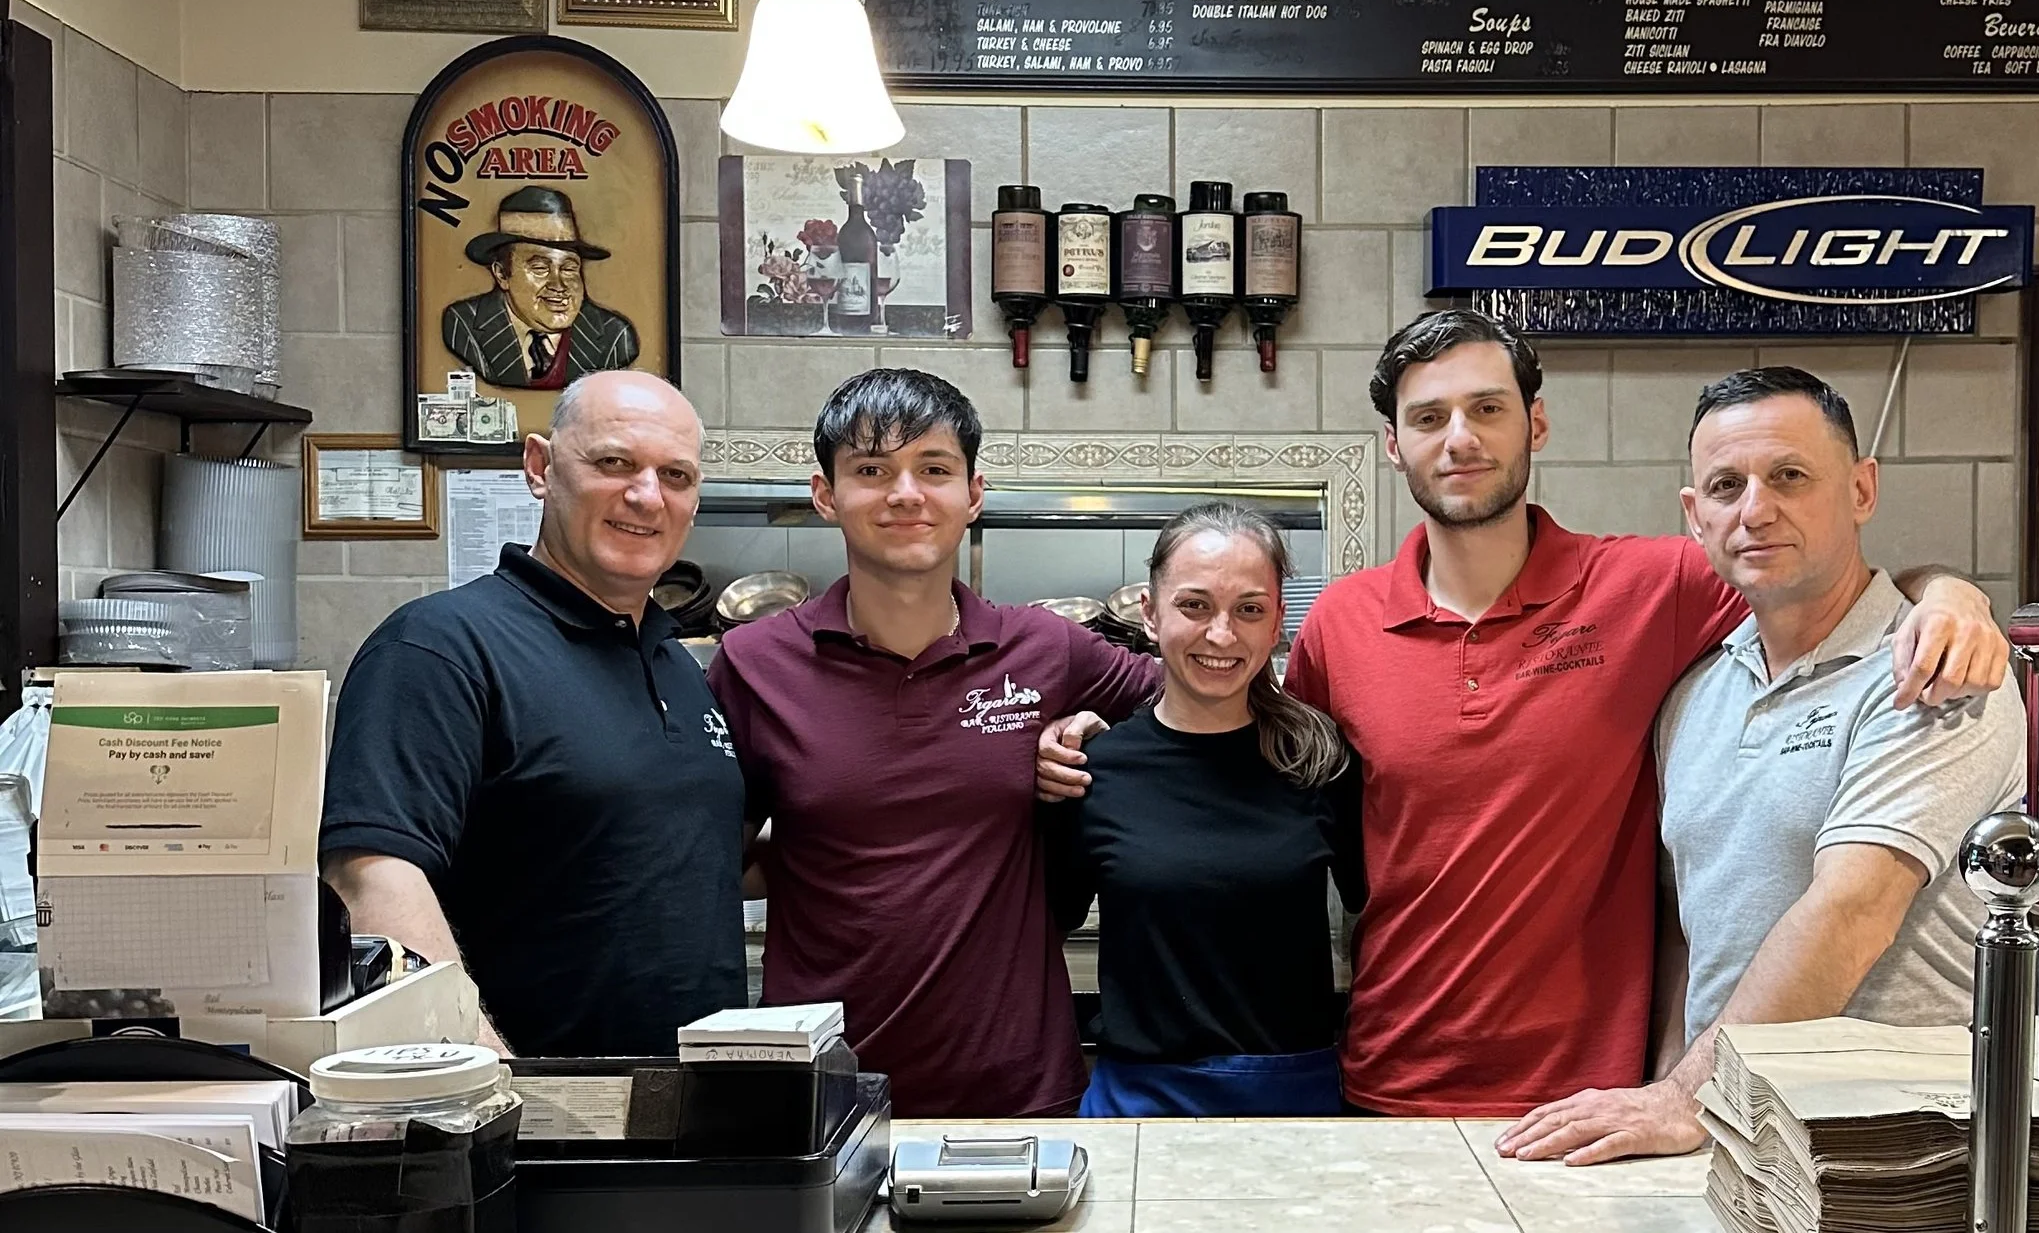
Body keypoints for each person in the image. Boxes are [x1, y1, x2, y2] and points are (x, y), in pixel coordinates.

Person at [1039, 311, 2009, 1118]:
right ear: (1393, 446)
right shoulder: (1342, 621)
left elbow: (1822, 581)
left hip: (1589, 1090)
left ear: (1533, 427)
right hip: (1387, 1077)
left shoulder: (1651, 585)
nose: (1459, 439)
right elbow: (1257, 749)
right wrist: (1107, 740)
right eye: (1429, 418)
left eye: (1486, 409)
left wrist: (1947, 597)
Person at [1497, 368, 2025, 1164]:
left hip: (1896, 1154)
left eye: (1789, 476)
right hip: (1732, 1137)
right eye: (1726, 484)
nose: (1755, 509)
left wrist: (1681, 1097)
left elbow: (1854, 907)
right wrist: (1670, 1094)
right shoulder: (1696, 695)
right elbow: (1687, 940)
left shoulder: (1935, 669)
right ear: (1694, 515)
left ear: (1861, 489)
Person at [708, 368, 1162, 1117]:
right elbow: (709, 855)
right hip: (824, 1100)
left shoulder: (1046, 649)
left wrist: (1101, 731)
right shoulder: (755, 663)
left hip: (1017, 1093)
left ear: (974, 495)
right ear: (826, 495)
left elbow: (1203, 699)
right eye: (872, 470)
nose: (906, 493)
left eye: (935, 469)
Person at [320, 372, 743, 1057]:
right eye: (614, 463)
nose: (646, 494)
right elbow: (370, 877)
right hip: (526, 1125)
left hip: (686, 1123)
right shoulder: (440, 647)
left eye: (676, 474)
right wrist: (500, 1087)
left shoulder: (674, 665)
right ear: (540, 467)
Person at [1042, 502, 1363, 1117]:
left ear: (1276, 626)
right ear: (1151, 615)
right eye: (1194, 606)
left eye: (1249, 609)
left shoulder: (1320, 762)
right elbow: (1041, 936)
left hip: (1296, 1097)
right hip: (1141, 1098)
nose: (1222, 635)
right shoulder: (1093, 770)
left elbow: (1371, 918)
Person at [442, 187, 642, 391]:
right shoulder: (463, 325)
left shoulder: (615, 336)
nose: (559, 285)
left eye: (569, 268)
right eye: (539, 268)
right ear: (502, 274)